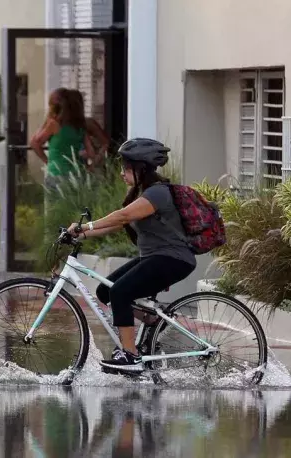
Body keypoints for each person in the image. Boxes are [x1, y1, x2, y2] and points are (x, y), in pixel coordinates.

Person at [68, 138, 196, 374]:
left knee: (120, 291)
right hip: (155, 258)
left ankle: (130, 356)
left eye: (125, 168)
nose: (121, 173)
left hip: (172, 259)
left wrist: (86, 226)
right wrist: (82, 235)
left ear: (141, 169)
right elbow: (117, 225)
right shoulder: (144, 193)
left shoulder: (157, 194)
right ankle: (152, 320)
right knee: (105, 291)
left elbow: (121, 217)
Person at [29, 88, 95, 191]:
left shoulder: (54, 124)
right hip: (77, 175)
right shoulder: (81, 127)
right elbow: (91, 153)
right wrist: (89, 165)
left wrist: (47, 161)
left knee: (56, 206)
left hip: (56, 174)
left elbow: (34, 143)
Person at [68, 89, 110, 169]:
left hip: (84, 170)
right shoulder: (59, 126)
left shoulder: (87, 123)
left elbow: (105, 144)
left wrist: (94, 164)